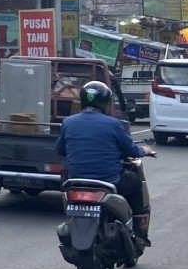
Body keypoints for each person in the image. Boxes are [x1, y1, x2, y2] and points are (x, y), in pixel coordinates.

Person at [55, 80, 154, 245]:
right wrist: (145, 150)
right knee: (136, 182)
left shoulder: (68, 123)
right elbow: (131, 150)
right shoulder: (114, 124)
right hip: (109, 182)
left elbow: (60, 150)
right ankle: (138, 231)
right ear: (105, 103)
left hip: (75, 183)